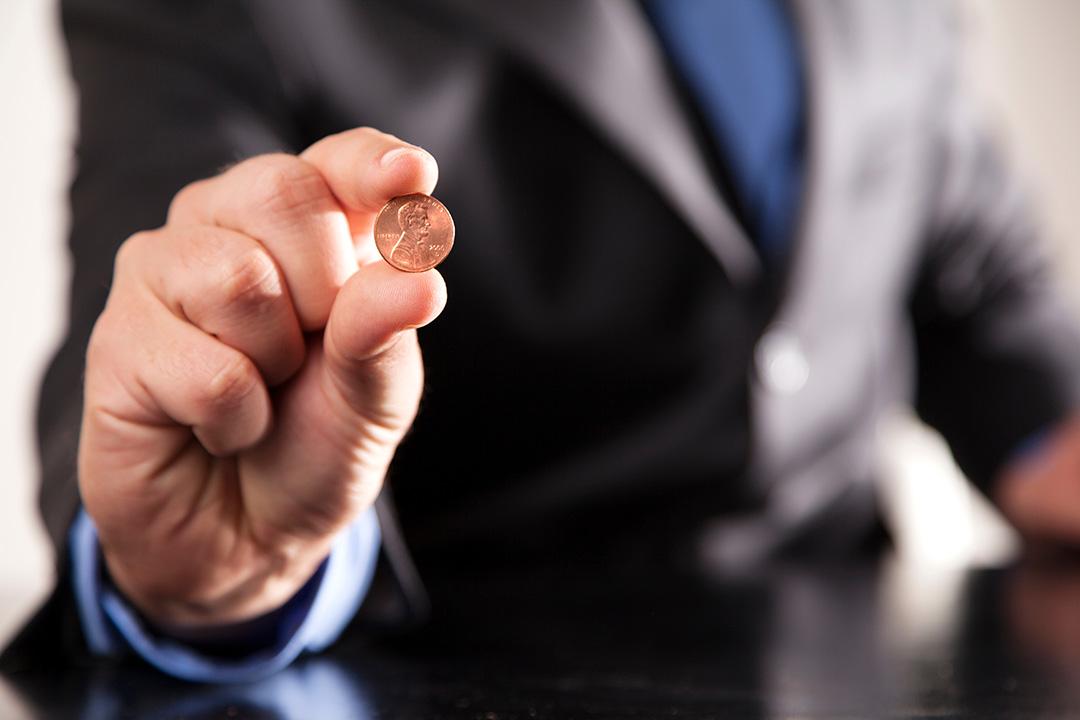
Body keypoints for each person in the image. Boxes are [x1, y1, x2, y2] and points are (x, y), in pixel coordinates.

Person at [6, 0, 1080, 682]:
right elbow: (151, 292)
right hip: (471, 668)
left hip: (867, 665)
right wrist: (212, 574)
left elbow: (973, 268)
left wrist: (1050, 430)